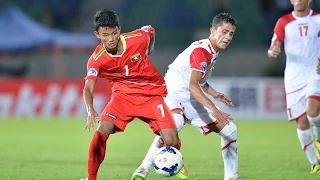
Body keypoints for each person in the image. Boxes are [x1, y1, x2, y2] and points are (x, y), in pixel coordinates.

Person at [132, 13, 240, 180]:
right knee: (174, 125)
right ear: (212, 30)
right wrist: (213, 107)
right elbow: (193, 84)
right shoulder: (201, 52)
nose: (227, 37)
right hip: (173, 93)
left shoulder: (212, 51)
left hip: (191, 97)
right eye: (224, 32)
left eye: (231, 34)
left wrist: (214, 93)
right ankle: (143, 169)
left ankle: (231, 177)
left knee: (230, 131)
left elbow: (199, 81)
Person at [81, 9, 181, 180]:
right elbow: (88, 87)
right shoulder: (96, 59)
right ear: (97, 34)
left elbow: (150, 29)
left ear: (119, 29)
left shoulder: (138, 39)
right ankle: (91, 178)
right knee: (101, 132)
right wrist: (90, 110)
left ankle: (175, 162)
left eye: (114, 33)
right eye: (105, 35)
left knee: (172, 141)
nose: (111, 39)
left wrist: (149, 51)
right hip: (123, 96)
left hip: (150, 94)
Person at [267, 0, 320, 173]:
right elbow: (275, 43)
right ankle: (316, 162)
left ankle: (318, 138)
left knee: (313, 111)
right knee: (302, 123)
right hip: (293, 78)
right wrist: (273, 50)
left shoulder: (318, 19)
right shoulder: (284, 21)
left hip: (315, 73)